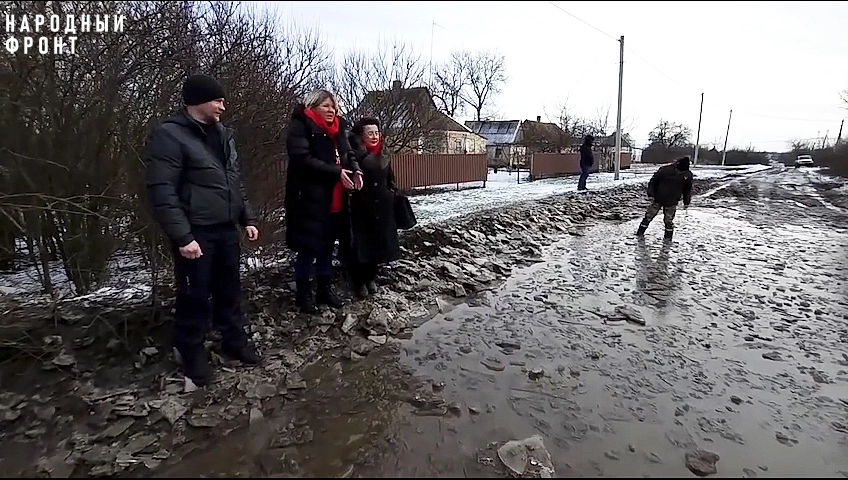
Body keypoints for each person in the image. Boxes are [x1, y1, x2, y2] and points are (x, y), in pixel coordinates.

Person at [144, 74, 262, 387]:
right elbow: (162, 191)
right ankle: (191, 351)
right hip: (195, 230)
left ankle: (234, 340)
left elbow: (233, 182)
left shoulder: (224, 135)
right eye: (218, 100)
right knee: (194, 295)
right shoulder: (170, 135)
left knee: (229, 289)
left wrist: (246, 218)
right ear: (198, 101)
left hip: (225, 228)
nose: (224, 105)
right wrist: (183, 236)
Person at [284, 89, 362, 313]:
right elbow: (302, 160)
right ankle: (303, 294)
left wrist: (355, 170)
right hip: (308, 200)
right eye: (326, 106)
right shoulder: (301, 127)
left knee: (328, 246)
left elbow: (349, 154)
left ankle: (324, 290)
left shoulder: (339, 129)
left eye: (333, 106)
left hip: (335, 197)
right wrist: (336, 172)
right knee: (308, 248)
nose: (331, 110)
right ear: (313, 106)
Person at [343, 117, 400, 298]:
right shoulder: (352, 156)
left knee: (378, 242)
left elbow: (389, 178)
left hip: (382, 206)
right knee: (361, 244)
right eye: (370, 133)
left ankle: (370, 277)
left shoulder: (383, 154)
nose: (374, 137)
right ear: (361, 137)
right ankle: (357, 281)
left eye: (377, 133)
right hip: (361, 205)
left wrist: (392, 192)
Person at [636, 156, 694, 241]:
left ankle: (667, 239)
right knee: (649, 217)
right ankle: (640, 234)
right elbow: (653, 181)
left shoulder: (687, 175)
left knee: (668, 221)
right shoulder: (665, 170)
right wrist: (651, 193)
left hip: (671, 201)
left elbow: (687, 190)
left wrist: (686, 202)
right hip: (659, 198)